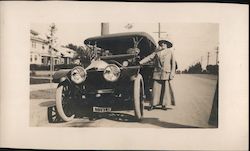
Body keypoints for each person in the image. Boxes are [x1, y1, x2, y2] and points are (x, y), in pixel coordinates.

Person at [139, 39, 176, 111]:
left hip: (166, 72)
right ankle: (153, 104)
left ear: (167, 45)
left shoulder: (170, 52)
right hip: (157, 72)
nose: (162, 44)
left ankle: (164, 104)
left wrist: (172, 73)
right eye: (161, 43)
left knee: (165, 89)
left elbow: (173, 64)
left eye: (164, 43)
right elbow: (149, 58)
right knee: (155, 89)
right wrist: (140, 62)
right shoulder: (157, 52)